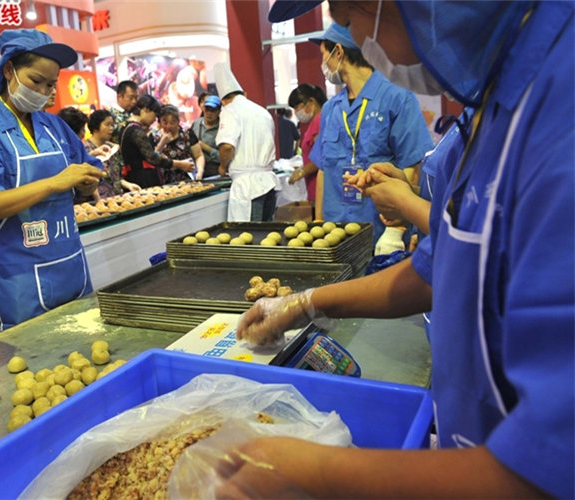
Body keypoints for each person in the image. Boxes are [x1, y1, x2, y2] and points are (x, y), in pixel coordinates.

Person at [210, 1, 574, 498]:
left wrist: (314, 471)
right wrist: (304, 304)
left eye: (349, 15)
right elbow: (437, 269)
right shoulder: (490, 104)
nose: (357, 38)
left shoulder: (560, 106)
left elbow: (551, 469)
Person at [0, 28, 106, 330]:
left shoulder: (54, 126)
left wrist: (87, 181)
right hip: (22, 279)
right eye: (35, 81)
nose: (43, 91)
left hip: (71, 265)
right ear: (8, 70)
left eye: (50, 84)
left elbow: (88, 167)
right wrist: (53, 183)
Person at [305, 22, 433, 245]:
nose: (323, 63)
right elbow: (324, 169)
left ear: (338, 51)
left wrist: (395, 230)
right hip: (336, 234)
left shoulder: (397, 98)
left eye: (324, 54)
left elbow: (411, 167)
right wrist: (318, 222)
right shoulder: (331, 108)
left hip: (380, 231)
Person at [213, 62, 279, 222]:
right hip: (269, 182)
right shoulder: (262, 111)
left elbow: (227, 147)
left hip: (248, 186)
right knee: (267, 232)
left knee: (249, 233)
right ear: (244, 94)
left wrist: (223, 166)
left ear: (223, 101)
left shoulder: (229, 110)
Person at [118, 94, 192, 189]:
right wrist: (179, 164)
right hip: (142, 178)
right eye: (155, 115)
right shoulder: (136, 131)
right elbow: (153, 158)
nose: (154, 120)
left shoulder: (125, 126)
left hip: (132, 175)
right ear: (146, 110)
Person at [287, 84, 327, 211]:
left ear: (311, 102)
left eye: (297, 108)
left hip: (321, 189)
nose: (296, 113)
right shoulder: (316, 122)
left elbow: (322, 155)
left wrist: (302, 172)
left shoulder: (320, 121)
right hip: (315, 189)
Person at [84, 109, 140, 198]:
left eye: (112, 125)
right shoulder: (85, 149)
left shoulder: (111, 147)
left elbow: (116, 177)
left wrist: (128, 185)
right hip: (97, 201)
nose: (111, 128)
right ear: (95, 127)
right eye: (107, 125)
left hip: (116, 198)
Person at [153, 104, 205, 182]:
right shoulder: (155, 137)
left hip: (187, 178)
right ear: (160, 122)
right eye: (165, 122)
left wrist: (200, 172)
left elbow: (199, 155)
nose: (168, 126)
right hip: (164, 180)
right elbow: (153, 158)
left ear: (178, 122)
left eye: (172, 122)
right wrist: (162, 142)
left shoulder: (187, 133)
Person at [191, 95, 222, 178]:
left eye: (213, 110)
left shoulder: (223, 128)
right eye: (207, 109)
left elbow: (225, 157)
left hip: (215, 172)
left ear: (219, 111)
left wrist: (206, 147)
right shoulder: (196, 124)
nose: (209, 113)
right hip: (196, 169)